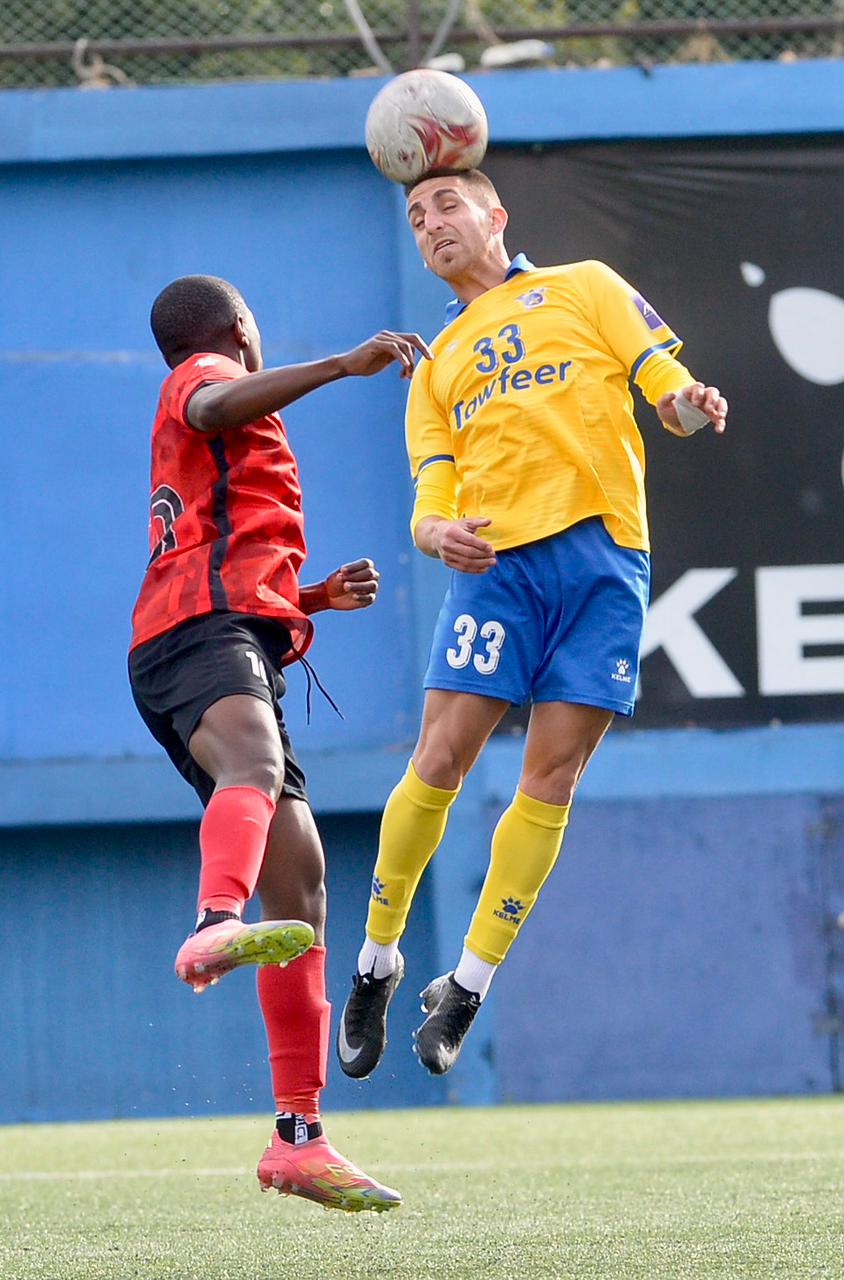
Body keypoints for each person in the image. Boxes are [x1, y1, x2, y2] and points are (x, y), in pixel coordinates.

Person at [337, 169, 728, 1080]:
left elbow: (665, 387)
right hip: (498, 571)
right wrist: (433, 531)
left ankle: (466, 988)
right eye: (416, 216)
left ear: (496, 216)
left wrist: (686, 403)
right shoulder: (436, 363)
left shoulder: (584, 285)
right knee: (440, 759)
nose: (431, 223)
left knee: (551, 778)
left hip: (604, 565)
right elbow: (431, 490)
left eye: (447, 205)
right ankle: (377, 961)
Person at [128, 273, 430, 1212]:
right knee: (255, 770)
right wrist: (343, 364)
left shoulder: (216, 426)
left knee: (300, 883)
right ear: (238, 327)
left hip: (217, 632)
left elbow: (219, 544)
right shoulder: (205, 374)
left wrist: (311, 598)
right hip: (198, 635)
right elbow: (211, 402)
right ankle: (215, 921)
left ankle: (298, 1135)